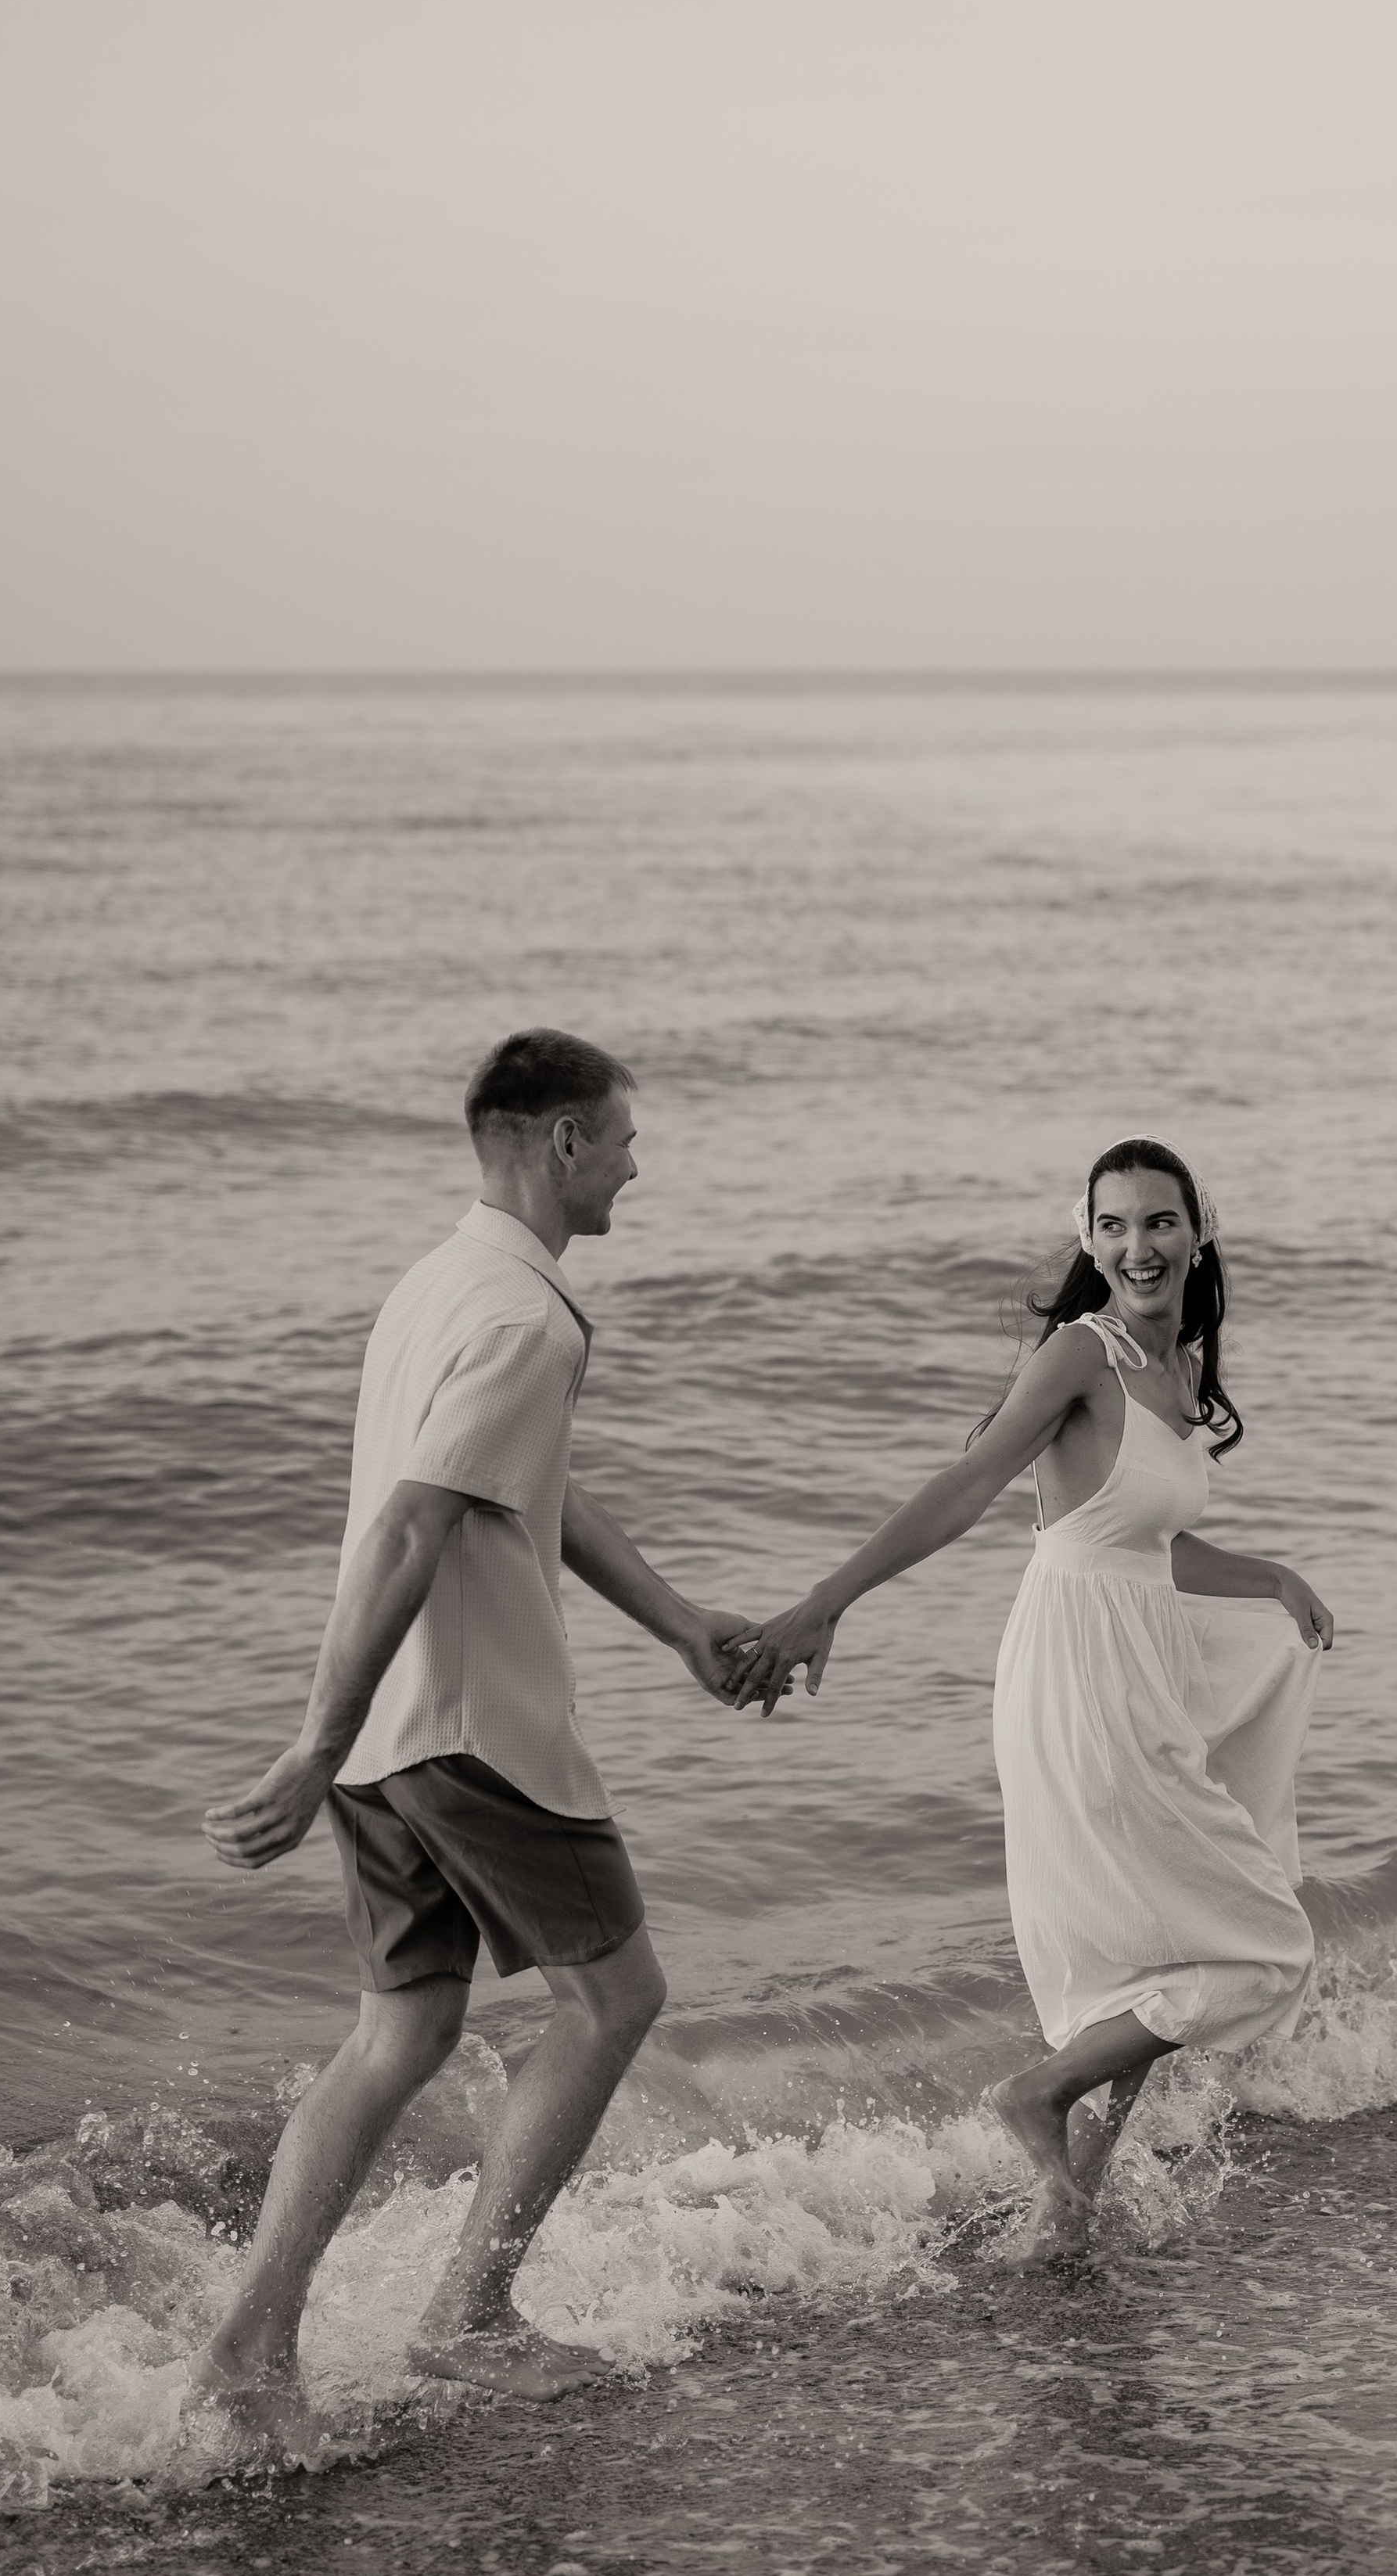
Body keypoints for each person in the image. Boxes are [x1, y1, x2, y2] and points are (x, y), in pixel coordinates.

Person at [196, 1029, 751, 2409]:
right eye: (622, 1137)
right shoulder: (527, 1314)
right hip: (468, 1728)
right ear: (562, 1141)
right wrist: (307, 1744)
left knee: (404, 2029)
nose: (636, 1161)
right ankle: (472, 2311)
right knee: (617, 1997)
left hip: (390, 1733)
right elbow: (411, 1529)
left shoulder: (438, 1286)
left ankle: (249, 2345)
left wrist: (681, 1625)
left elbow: (522, 1489)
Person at [730, 1138, 1332, 2262]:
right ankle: (1036, 2097)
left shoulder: (1181, 1370)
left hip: (1140, 1661)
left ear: (1196, 1231)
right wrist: (828, 1602)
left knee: (1157, 1954)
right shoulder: (1079, 1355)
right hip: (1080, 1676)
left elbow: (1142, 1541)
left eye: (1157, 1222)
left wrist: (1269, 1578)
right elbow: (969, 1487)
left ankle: (1069, 2210)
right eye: (1112, 1225)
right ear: (1087, 1235)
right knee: (1263, 1946)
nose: (1135, 1246)